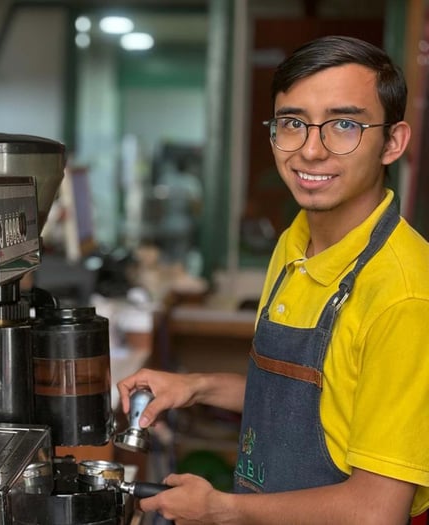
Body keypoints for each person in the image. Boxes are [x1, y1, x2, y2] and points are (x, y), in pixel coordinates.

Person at [118, 35, 429, 524]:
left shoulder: (404, 295)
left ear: (393, 142)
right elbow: (308, 409)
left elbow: (375, 511)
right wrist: (195, 386)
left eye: (344, 124)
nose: (311, 150)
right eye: (293, 123)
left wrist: (222, 510)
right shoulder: (296, 241)